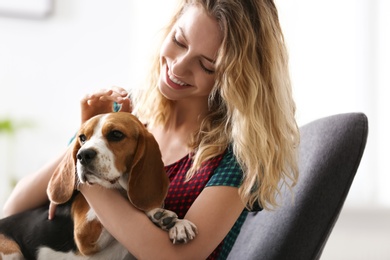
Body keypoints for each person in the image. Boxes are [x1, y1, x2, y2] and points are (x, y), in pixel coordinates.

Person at [2, 0, 299, 259]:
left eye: (207, 65)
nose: (179, 67)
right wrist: (85, 137)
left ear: (237, 79)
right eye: (179, 41)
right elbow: (14, 208)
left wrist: (88, 173)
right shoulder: (125, 115)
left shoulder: (237, 156)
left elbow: (172, 257)